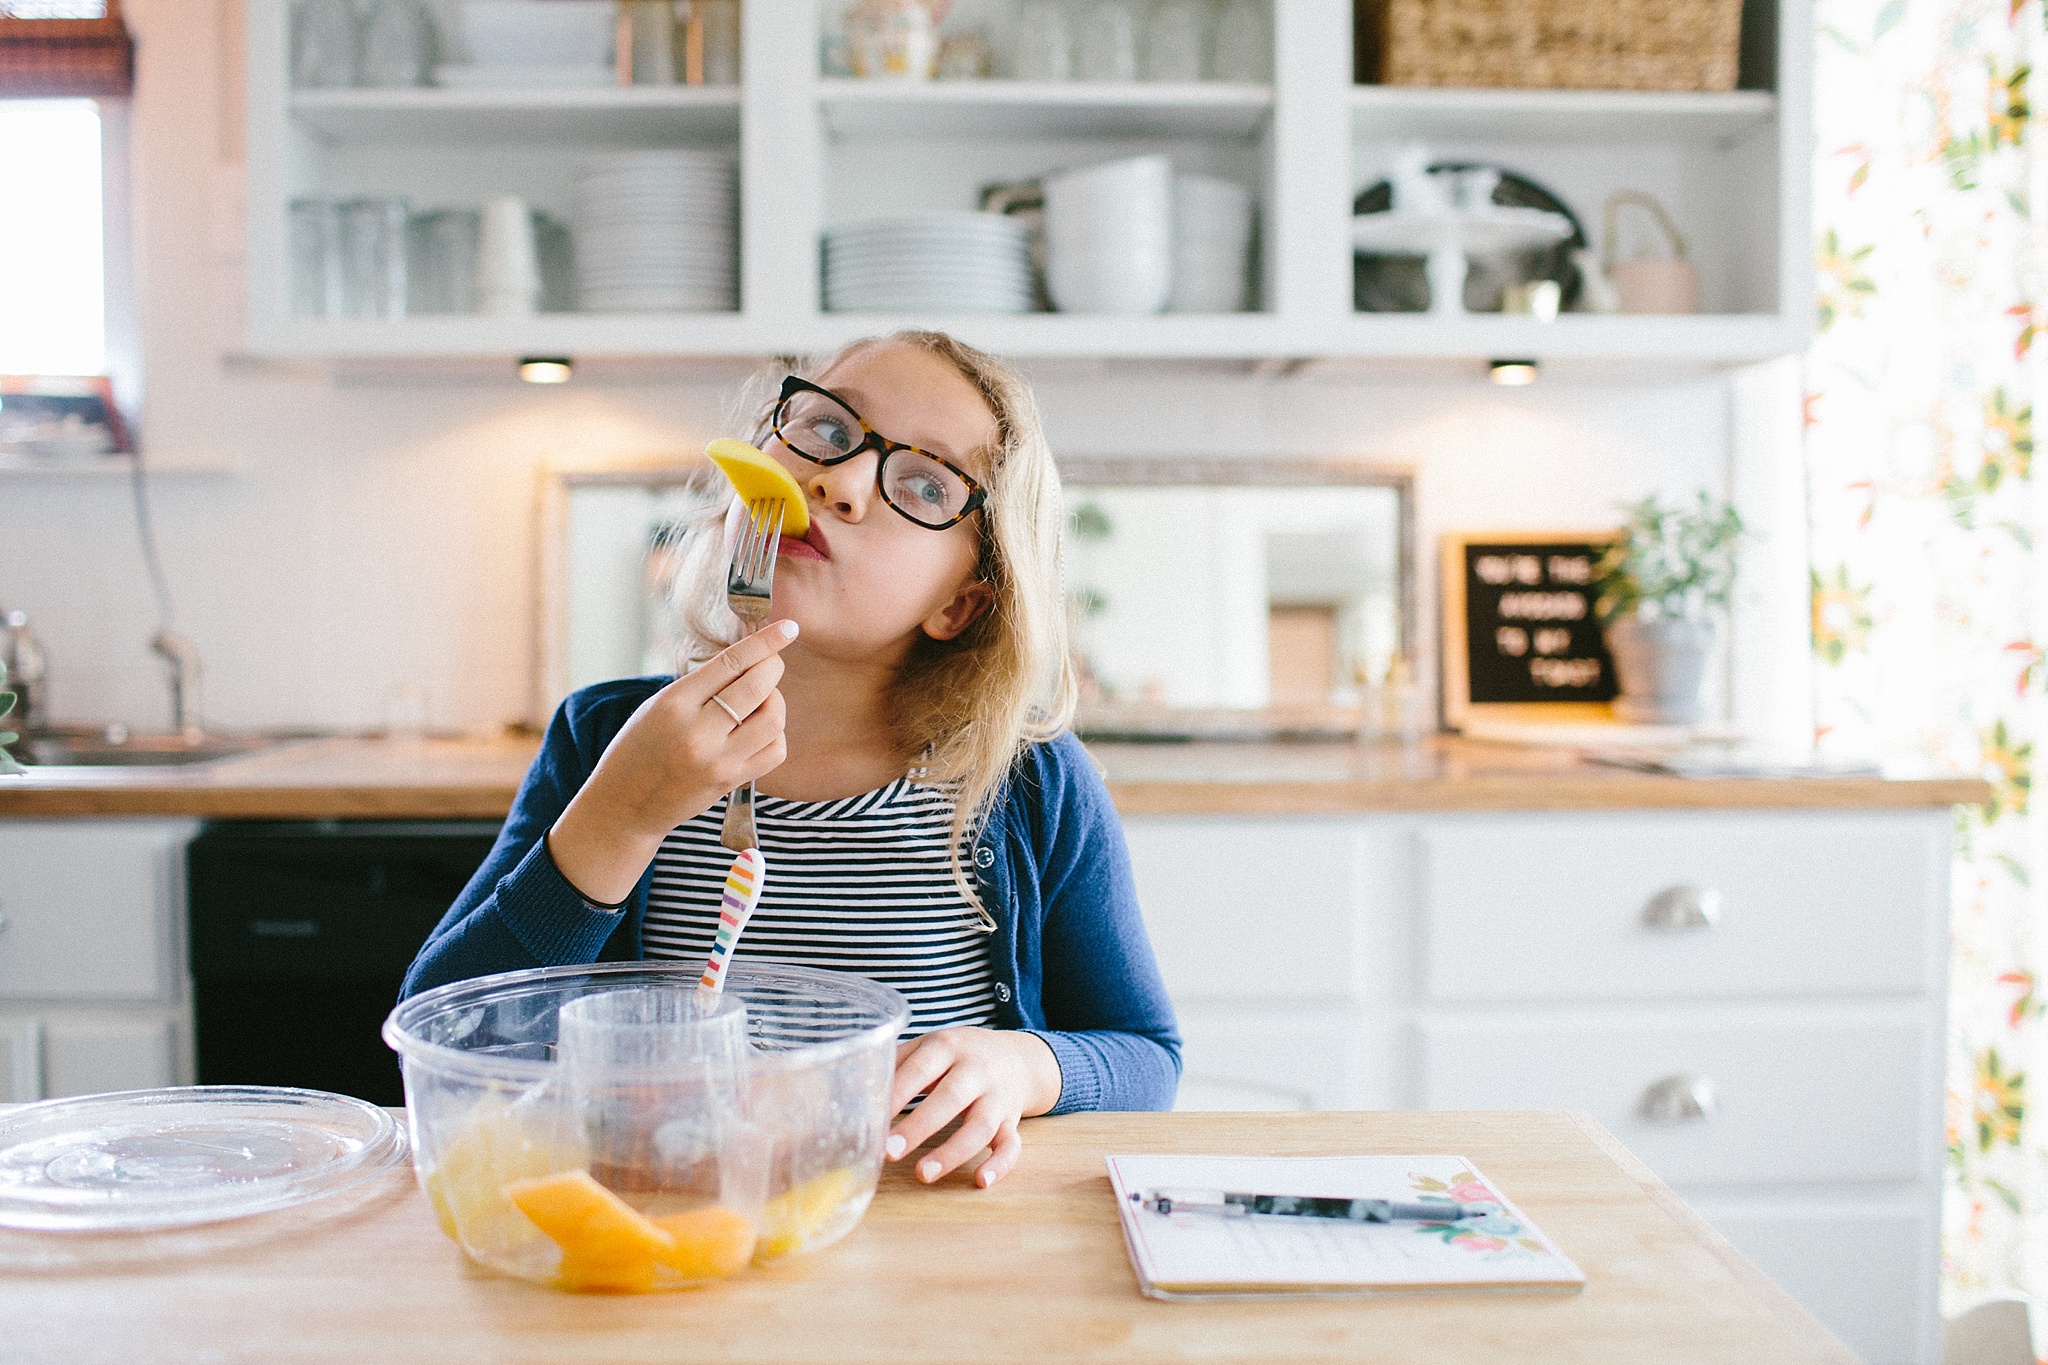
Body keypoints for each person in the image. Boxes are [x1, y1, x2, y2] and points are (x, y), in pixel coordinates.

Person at [401, 330, 1180, 1189]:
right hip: (670, 1235)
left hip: (920, 1250)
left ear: (959, 604)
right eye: (829, 429)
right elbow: (440, 1041)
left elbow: (1145, 1056)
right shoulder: (603, 738)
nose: (839, 483)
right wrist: (621, 814)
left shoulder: (1028, 784)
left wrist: (1026, 1067)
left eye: (926, 484)